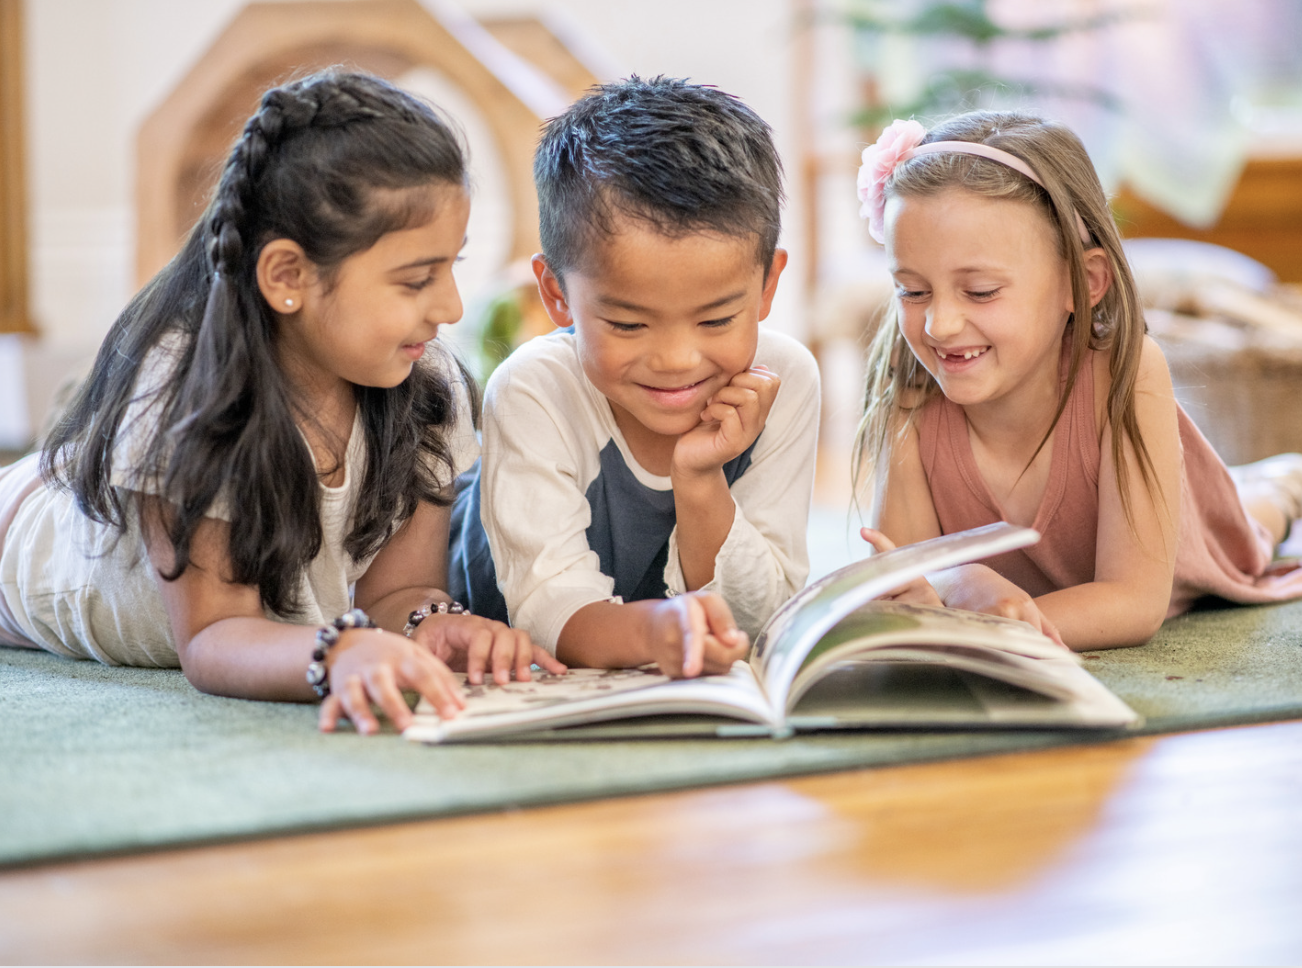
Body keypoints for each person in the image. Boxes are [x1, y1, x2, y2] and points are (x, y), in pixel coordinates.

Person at [0, 70, 562, 735]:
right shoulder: (189, 399)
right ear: (288, 276)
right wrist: (339, 651)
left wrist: (434, 624)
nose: (450, 307)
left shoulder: (425, 383)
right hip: (27, 544)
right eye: (416, 280)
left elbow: (395, 593)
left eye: (451, 268)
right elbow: (214, 638)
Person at [854, 112, 1302, 651]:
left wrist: (986, 627)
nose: (938, 325)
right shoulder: (907, 393)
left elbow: (1132, 604)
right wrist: (958, 579)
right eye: (912, 291)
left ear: (1081, 283)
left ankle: (1280, 482)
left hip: (1193, 535)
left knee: (1249, 525)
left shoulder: (1126, 373)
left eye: (980, 291)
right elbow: (902, 575)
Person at [450, 76, 821, 677]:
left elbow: (762, 617)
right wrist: (665, 631)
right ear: (556, 294)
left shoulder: (783, 380)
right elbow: (548, 610)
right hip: (493, 609)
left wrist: (700, 480)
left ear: (768, 285)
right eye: (627, 324)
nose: (677, 359)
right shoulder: (533, 389)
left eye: (716, 318)